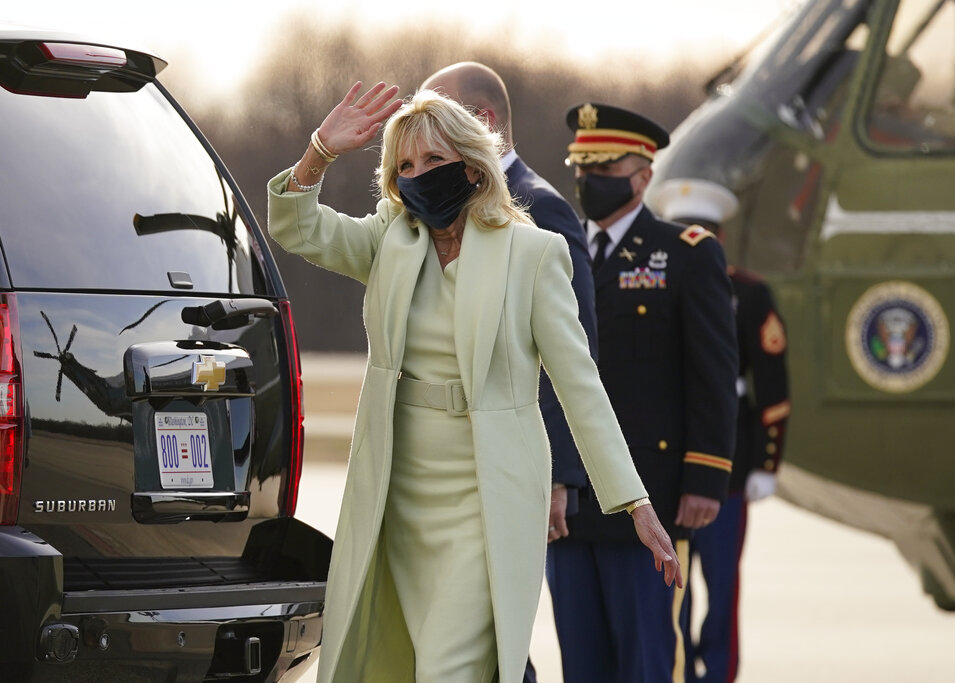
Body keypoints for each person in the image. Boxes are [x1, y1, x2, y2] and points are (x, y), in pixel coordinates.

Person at [266, 81, 684, 683]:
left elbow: (579, 385)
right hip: (397, 490)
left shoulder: (533, 253)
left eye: (434, 160)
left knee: (452, 668)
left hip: (485, 494)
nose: (419, 174)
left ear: (471, 163)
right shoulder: (390, 238)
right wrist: (320, 152)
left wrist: (635, 502)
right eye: (404, 164)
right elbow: (300, 230)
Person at [547, 103, 738, 683]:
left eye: (605, 167)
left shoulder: (685, 251)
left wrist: (706, 476)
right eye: (582, 166)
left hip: (647, 500)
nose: (588, 181)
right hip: (572, 506)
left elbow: (712, 373)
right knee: (582, 664)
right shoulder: (554, 252)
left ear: (643, 175)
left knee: (648, 662)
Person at [419, 61, 596, 683]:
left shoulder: (540, 211)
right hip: (451, 464)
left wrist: (559, 478)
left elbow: (569, 357)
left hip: (513, 464)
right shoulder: (444, 206)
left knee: (491, 631)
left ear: (484, 122)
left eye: (440, 121)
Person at [651, 178, 791, 683]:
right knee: (671, 583)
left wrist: (766, 465)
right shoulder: (651, 284)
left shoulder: (749, 295)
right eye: (685, 231)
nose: (695, 241)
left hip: (729, 464)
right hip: (667, 460)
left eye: (703, 233)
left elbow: (772, 388)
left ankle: (720, 675)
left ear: (720, 236)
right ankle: (681, 671)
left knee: (723, 583)